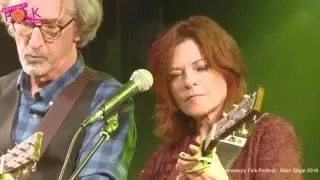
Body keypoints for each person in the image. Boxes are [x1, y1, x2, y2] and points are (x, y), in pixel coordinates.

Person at [139, 15, 302, 180]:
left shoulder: (269, 135)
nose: (188, 81)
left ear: (227, 70)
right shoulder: (162, 158)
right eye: (175, 75)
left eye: (201, 68)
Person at [0, 0, 136, 179]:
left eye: (50, 27)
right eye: (25, 23)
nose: (34, 43)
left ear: (78, 29)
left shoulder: (108, 101)